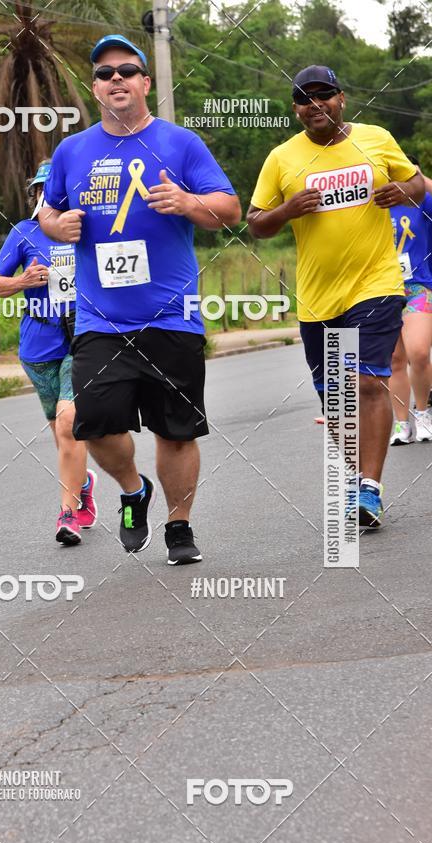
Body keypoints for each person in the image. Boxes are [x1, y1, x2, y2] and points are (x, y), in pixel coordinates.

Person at [38, 34, 241, 564]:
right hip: (101, 320)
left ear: (146, 82)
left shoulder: (180, 144)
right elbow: (46, 211)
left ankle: (179, 526)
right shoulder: (71, 150)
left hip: (172, 315)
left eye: (127, 70)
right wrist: (58, 225)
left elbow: (230, 209)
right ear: (95, 87)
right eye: (105, 74)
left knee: (175, 431)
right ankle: (133, 490)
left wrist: (187, 201)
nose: (116, 80)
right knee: (96, 424)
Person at [247, 65, 424, 528]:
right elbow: (255, 222)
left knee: (367, 382)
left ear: (341, 99)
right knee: (337, 400)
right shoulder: (282, 158)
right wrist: (288, 210)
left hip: (376, 284)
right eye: (305, 99)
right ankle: (353, 479)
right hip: (317, 297)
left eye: (323, 95)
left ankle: (370, 488)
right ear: (296, 110)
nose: (315, 105)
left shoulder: (376, 138)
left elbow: (419, 185)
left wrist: (399, 190)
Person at [0, 159, 98, 546]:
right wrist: (23, 280)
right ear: (34, 195)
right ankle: (82, 483)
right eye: (41, 191)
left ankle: (68, 514)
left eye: (56, 192)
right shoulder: (24, 233)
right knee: (59, 429)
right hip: (38, 344)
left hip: (81, 339)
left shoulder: (88, 231)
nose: (47, 197)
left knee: (69, 423)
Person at [389, 155, 432, 444]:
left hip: (418, 285)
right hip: (383, 288)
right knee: (394, 359)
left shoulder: (423, 202)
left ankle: (423, 412)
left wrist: (419, 178)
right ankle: (401, 424)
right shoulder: (375, 204)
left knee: (418, 353)